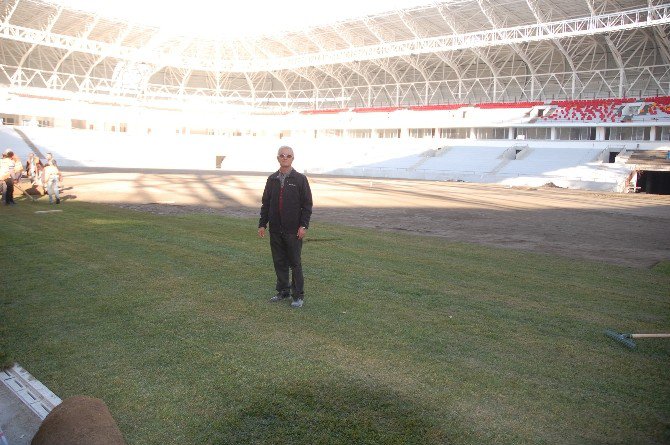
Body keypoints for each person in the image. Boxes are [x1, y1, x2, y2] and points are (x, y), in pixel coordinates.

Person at [258, 146, 313, 308]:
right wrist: (262, 224)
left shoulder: (300, 179)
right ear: (278, 158)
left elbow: (307, 205)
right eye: (282, 155)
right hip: (275, 229)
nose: (285, 158)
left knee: (295, 262)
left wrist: (303, 225)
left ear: (292, 159)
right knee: (279, 261)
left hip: (293, 230)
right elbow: (266, 203)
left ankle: (298, 295)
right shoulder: (272, 179)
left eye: (288, 156)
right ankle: (283, 291)